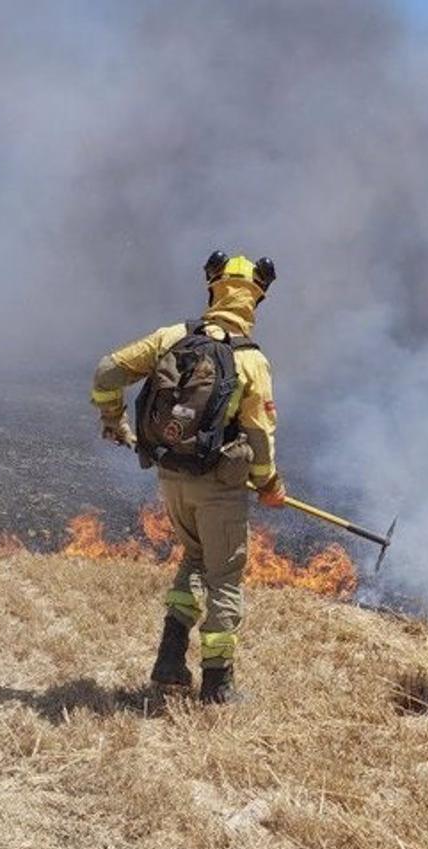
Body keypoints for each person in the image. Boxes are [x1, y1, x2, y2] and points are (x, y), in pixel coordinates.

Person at [90, 251, 284, 704]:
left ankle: (170, 662)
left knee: (195, 559)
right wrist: (270, 484)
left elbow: (106, 372)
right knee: (226, 578)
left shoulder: (172, 337)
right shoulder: (251, 360)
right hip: (219, 487)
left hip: (171, 474)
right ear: (256, 299)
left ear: (212, 287)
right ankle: (218, 686)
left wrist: (113, 420)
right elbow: (260, 435)